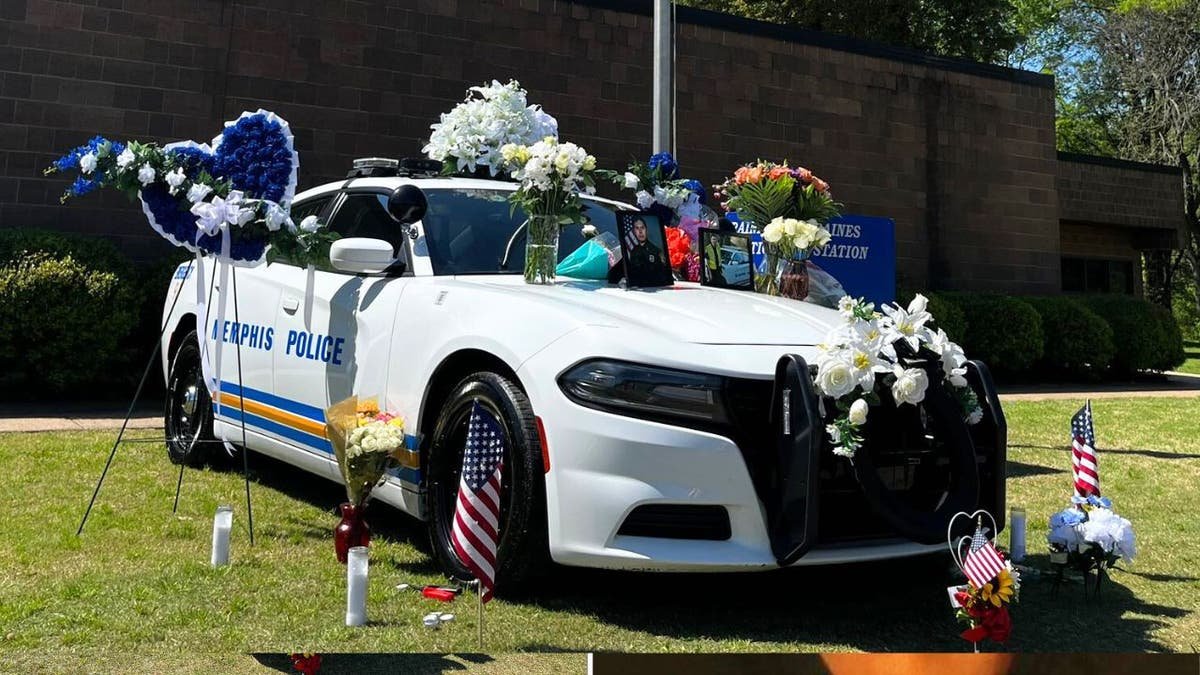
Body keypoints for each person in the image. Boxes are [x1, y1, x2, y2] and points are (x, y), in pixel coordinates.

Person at [625, 217, 670, 285]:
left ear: (646, 230)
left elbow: (663, 276)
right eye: (637, 228)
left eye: (642, 228)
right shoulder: (634, 251)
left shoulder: (656, 251)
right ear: (634, 231)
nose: (640, 231)